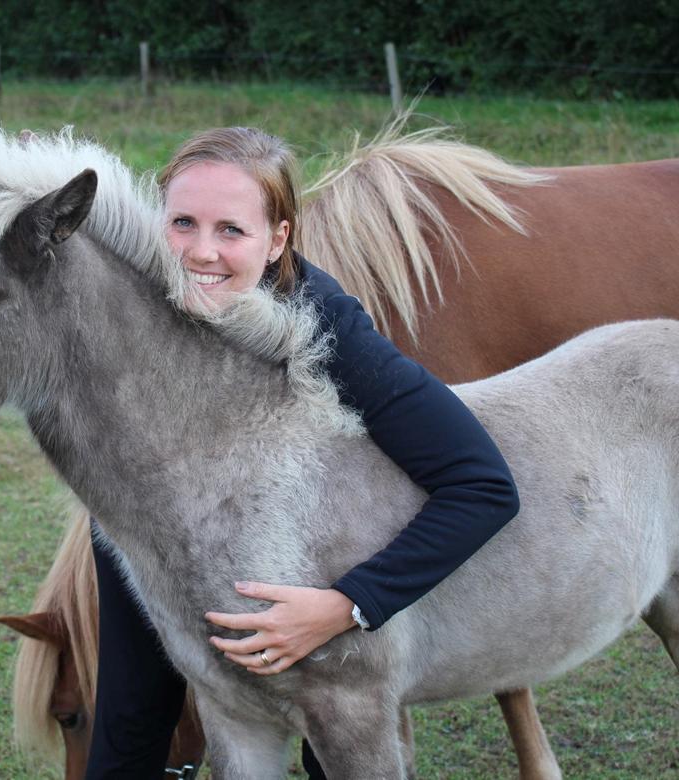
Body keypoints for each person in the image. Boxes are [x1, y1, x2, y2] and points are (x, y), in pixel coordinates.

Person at [86, 127, 520, 779]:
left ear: (277, 240)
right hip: (149, 535)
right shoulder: (138, 305)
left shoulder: (328, 330)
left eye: (231, 230)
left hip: (307, 595)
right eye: (183, 223)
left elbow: (483, 485)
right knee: (127, 724)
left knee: (332, 734)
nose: (201, 252)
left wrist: (348, 604)